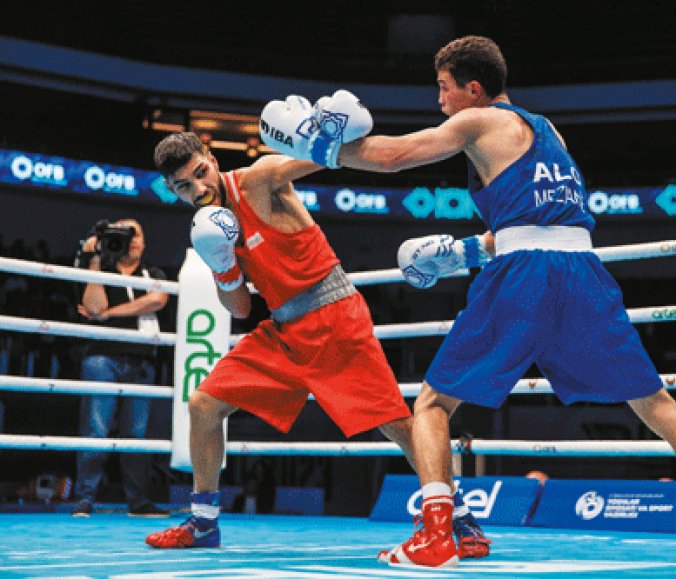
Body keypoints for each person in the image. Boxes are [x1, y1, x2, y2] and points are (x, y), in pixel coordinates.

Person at [260, 35, 676, 570]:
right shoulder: (548, 132)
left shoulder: (478, 120)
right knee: (657, 405)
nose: (440, 100)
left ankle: (436, 537)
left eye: (444, 89)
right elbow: (541, 224)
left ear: (473, 89)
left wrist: (318, 146)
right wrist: (462, 252)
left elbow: (395, 157)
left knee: (430, 406)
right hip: (582, 273)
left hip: (526, 277)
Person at [145, 132, 489, 557]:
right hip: (284, 330)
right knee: (203, 405)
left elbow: (324, 159)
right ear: (172, 190)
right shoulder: (208, 228)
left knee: (395, 423)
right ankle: (203, 523)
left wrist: (330, 131)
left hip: (334, 317)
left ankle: (459, 519)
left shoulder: (258, 179)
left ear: (211, 160)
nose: (198, 189)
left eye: (200, 174)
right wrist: (222, 264)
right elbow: (237, 308)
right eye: (183, 186)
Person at [72, 219, 170, 518]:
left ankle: (138, 502)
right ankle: (85, 499)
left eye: (135, 233)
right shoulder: (100, 270)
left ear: (143, 240)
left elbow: (156, 300)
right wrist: (96, 260)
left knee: (137, 435)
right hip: (102, 357)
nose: (131, 239)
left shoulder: (152, 273)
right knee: (95, 429)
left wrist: (108, 315)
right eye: (123, 234)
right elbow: (94, 304)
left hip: (141, 361)